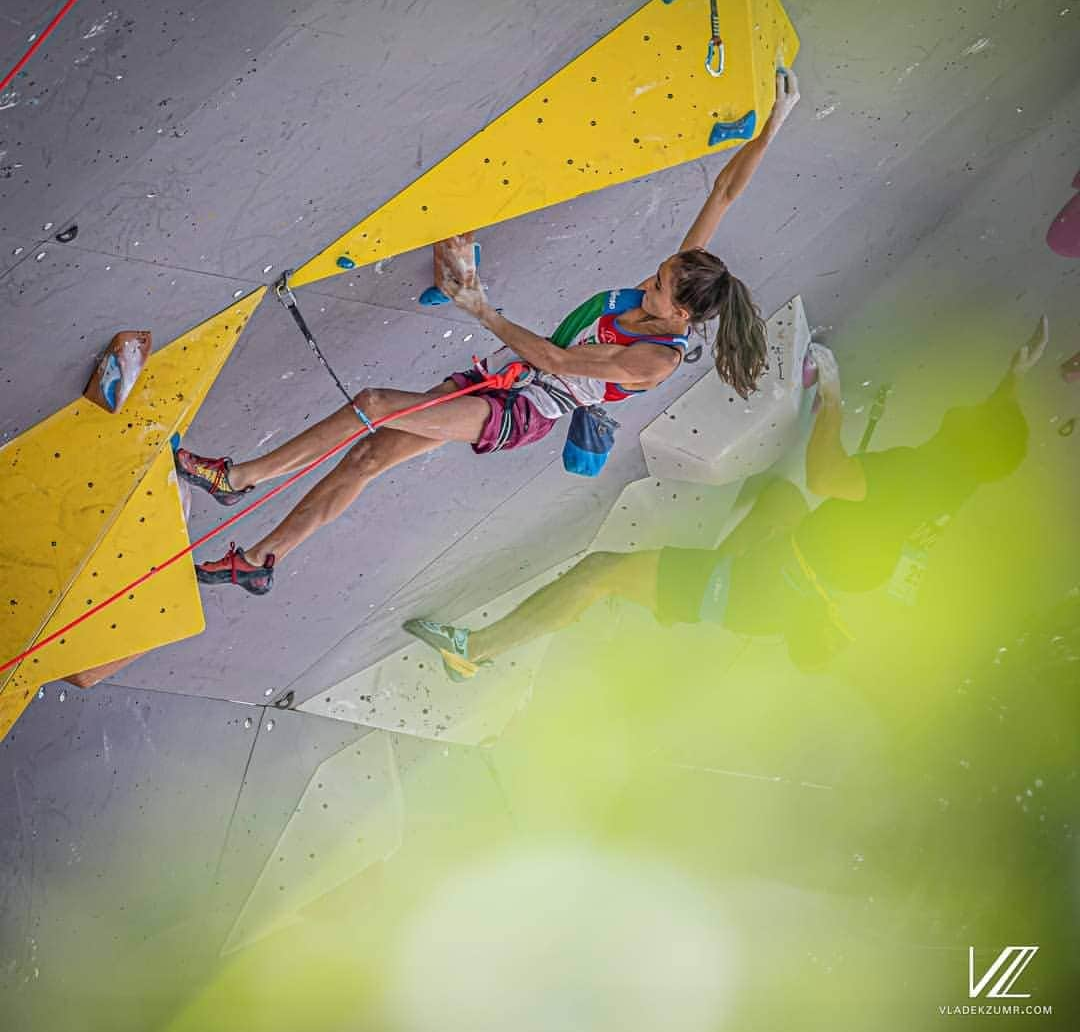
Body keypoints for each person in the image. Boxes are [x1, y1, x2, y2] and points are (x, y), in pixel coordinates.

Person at [175, 70, 802, 594]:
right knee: (368, 455)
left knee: (372, 406)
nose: (649, 281)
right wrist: (774, 122)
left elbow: (557, 361)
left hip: (520, 410)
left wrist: (480, 306)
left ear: (679, 317)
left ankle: (240, 479)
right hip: (501, 380)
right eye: (661, 272)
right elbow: (722, 192)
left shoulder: (652, 361)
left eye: (660, 287)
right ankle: (260, 563)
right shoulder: (671, 290)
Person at [405, 316, 1049, 678]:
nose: (963, 407)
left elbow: (829, 476)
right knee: (774, 494)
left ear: (966, 440)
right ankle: (662, 589)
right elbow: (989, 435)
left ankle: (477, 653)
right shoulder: (958, 479)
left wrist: (830, 396)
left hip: (756, 591)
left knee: (602, 575)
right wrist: (1013, 379)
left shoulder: (919, 479)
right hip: (790, 568)